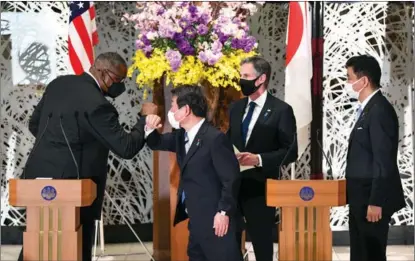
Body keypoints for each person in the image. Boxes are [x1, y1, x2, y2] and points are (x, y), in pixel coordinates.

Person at [17, 52, 157, 261]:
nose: (119, 86)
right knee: (75, 244)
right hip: (75, 188)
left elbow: (35, 125)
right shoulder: (98, 105)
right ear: (101, 71)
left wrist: (60, 148)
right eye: (117, 80)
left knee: (38, 238)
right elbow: (126, 147)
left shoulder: (58, 84)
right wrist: (145, 120)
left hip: (37, 182)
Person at [145, 85, 243, 261]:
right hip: (196, 219)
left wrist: (223, 212)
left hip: (216, 221)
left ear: (186, 109)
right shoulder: (180, 136)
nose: (171, 111)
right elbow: (156, 143)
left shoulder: (214, 138)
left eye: (174, 105)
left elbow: (231, 178)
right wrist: (149, 127)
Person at [226, 56, 298, 261]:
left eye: (246, 76)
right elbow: (228, 139)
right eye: (241, 75)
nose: (241, 80)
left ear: (261, 78)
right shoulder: (236, 108)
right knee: (229, 242)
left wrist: (258, 159)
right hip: (232, 186)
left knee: (262, 243)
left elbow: (290, 151)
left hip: (261, 188)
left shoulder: (281, 110)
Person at [344, 55, 405, 261]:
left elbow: (384, 160)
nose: (347, 83)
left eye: (349, 77)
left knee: (371, 254)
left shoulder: (379, 110)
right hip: (360, 198)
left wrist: (376, 201)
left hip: (371, 199)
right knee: (360, 254)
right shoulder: (368, 109)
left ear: (364, 81)